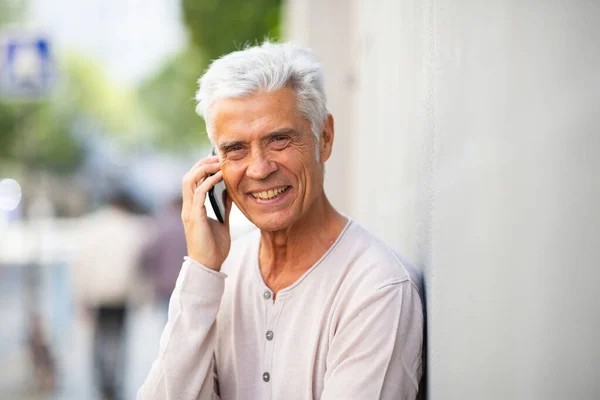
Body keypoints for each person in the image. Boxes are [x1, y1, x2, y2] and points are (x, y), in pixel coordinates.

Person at [138, 42, 424, 400]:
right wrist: (200, 270)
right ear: (215, 166)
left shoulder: (378, 289)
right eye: (235, 149)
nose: (259, 169)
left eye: (279, 140)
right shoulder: (217, 278)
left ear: (325, 137)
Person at [73, 190, 150, 400]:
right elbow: (140, 266)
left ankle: (102, 383)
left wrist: (81, 296)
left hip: (97, 293)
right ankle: (115, 382)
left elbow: (82, 264)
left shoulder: (91, 226)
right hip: (122, 293)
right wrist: (141, 295)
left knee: (98, 340)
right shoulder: (133, 228)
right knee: (119, 339)